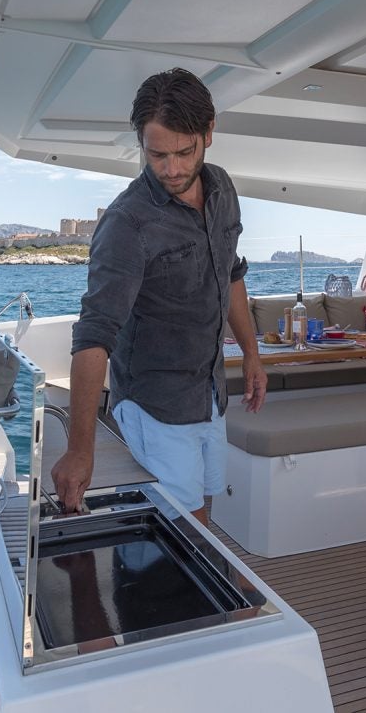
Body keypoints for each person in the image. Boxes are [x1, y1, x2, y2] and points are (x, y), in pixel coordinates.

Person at [50, 68, 269, 524]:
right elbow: (93, 335)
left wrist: (251, 355)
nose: (171, 169)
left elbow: (230, 273)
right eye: (157, 155)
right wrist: (79, 450)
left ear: (209, 133)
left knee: (203, 508)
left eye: (185, 152)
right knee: (183, 525)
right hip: (155, 401)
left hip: (208, 389)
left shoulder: (223, 189)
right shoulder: (127, 224)